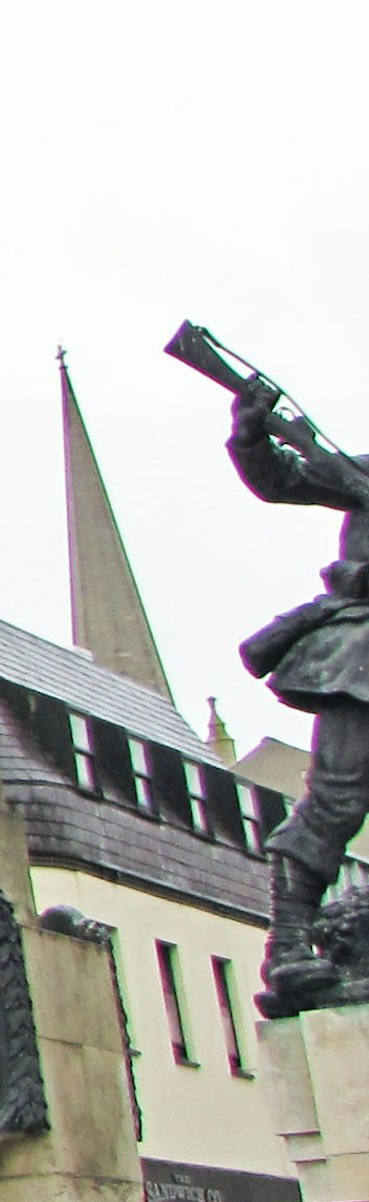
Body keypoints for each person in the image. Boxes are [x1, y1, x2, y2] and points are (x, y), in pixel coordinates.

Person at [222, 385, 369, 1009]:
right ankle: (287, 945)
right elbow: (282, 480)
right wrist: (252, 435)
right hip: (362, 651)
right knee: (337, 797)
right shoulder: (359, 471)